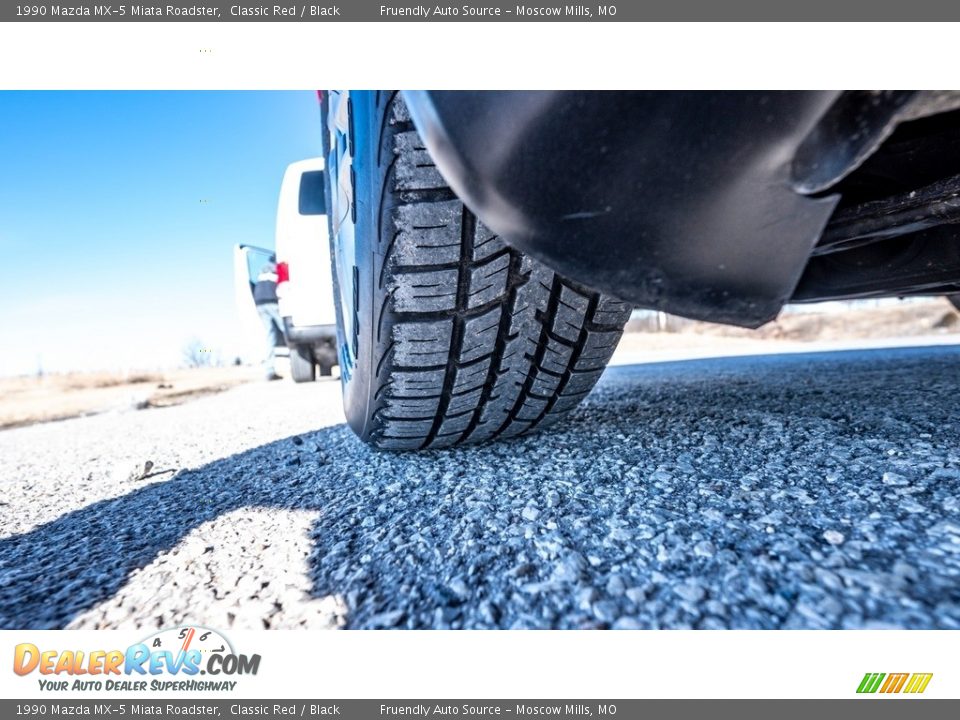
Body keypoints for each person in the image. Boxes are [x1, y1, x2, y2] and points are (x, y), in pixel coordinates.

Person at [253, 262, 283, 380]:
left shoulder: (262, 271)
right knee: (286, 331)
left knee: (270, 336)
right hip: (272, 301)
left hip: (259, 303)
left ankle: (269, 371)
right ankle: (297, 363)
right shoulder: (277, 268)